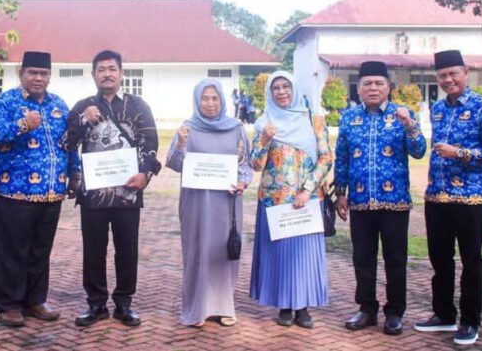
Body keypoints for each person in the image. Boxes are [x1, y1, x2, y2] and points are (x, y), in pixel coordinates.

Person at [61, 50, 161, 328]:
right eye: (101, 69)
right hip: (93, 194)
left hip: (128, 191)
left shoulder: (138, 106)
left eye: (112, 68)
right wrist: (83, 120)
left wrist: (145, 175)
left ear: (121, 73)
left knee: (127, 249)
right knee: (93, 250)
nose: (107, 74)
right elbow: (66, 143)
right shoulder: (83, 106)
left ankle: (124, 303)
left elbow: (150, 143)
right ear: (93, 74)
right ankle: (96, 304)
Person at [0, 51, 80, 327]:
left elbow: (70, 142)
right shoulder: (6, 102)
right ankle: (10, 304)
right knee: (12, 250)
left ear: (50, 76)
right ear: (21, 73)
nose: (38, 78)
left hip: (51, 190)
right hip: (14, 190)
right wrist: (23, 125)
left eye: (43, 73)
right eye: (33, 73)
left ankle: (35, 300)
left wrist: (74, 173)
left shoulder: (58, 105)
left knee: (40, 249)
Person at [414, 50, 482, 346]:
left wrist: (459, 153)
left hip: (469, 198)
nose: (448, 80)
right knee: (440, 260)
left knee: (471, 262)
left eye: (453, 73)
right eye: (442, 75)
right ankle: (444, 314)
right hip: (437, 197)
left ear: (466, 73)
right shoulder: (438, 109)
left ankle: (470, 321)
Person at [334, 61, 427, 336]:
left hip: (394, 202)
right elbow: (342, 157)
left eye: (379, 83)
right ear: (358, 88)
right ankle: (367, 308)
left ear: (389, 87)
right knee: (362, 258)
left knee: (395, 259)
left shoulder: (402, 114)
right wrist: (341, 193)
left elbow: (419, 151)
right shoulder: (349, 118)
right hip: (360, 201)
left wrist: (410, 125)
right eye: (367, 83)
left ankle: (395, 312)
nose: (373, 88)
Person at [249, 71, 333, 329]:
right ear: (269, 93)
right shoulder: (263, 122)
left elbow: (326, 158)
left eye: (286, 86)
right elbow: (255, 164)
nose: (282, 91)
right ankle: (284, 306)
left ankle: (303, 307)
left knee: (303, 256)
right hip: (275, 203)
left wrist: (307, 191)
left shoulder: (313, 119)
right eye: (276, 88)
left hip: (306, 201)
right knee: (280, 256)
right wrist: (264, 140)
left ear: (294, 89)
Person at [166, 79, 253, 327]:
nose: (210, 103)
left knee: (222, 252)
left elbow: (245, 163)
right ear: (197, 100)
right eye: (205, 98)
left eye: (215, 98)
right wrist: (180, 144)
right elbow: (174, 164)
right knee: (197, 250)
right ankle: (198, 307)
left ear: (223, 100)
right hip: (196, 202)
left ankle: (225, 306)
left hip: (227, 201)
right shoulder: (187, 128)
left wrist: (242, 182)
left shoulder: (236, 128)